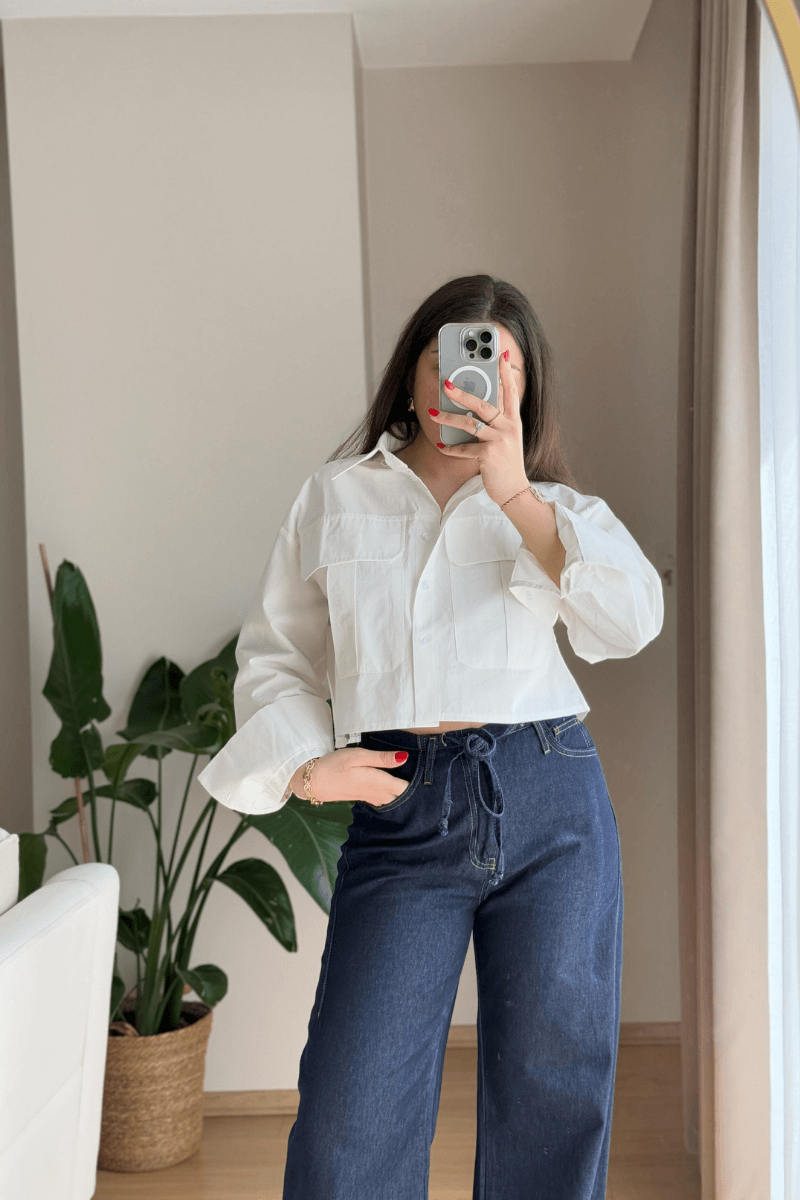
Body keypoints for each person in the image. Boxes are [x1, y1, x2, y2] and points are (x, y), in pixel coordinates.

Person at [197, 274, 664, 1199]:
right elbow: (276, 655)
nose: (479, 379)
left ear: (524, 389)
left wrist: (515, 494)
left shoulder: (551, 508)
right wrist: (306, 769)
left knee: (553, 1097)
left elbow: (631, 619)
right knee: (351, 1110)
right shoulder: (336, 496)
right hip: (402, 806)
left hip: (552, 797)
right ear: (417, 371)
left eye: (505, 364)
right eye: (456, 354)